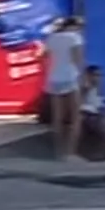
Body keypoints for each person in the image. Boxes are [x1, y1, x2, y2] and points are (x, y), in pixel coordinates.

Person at [41, 16, 85, 160]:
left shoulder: (52, 38)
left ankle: (57, 152)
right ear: (75, 26)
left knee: (57, 118)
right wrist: (83, 78)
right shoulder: (75, 38)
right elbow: (77, 59)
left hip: (54, 78)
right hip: (70, 77)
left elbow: (44, 56)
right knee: (75, 117)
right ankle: (70, 153)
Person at [76, 66, 105, 160]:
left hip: (97, 113)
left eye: (100, 76)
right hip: (87, 113)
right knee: (100, 124)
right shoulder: (84, 88)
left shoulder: (99, 89)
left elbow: (100, 104)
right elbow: (79, 104)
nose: (99, 78)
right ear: (89, 76)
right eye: (96, 75)